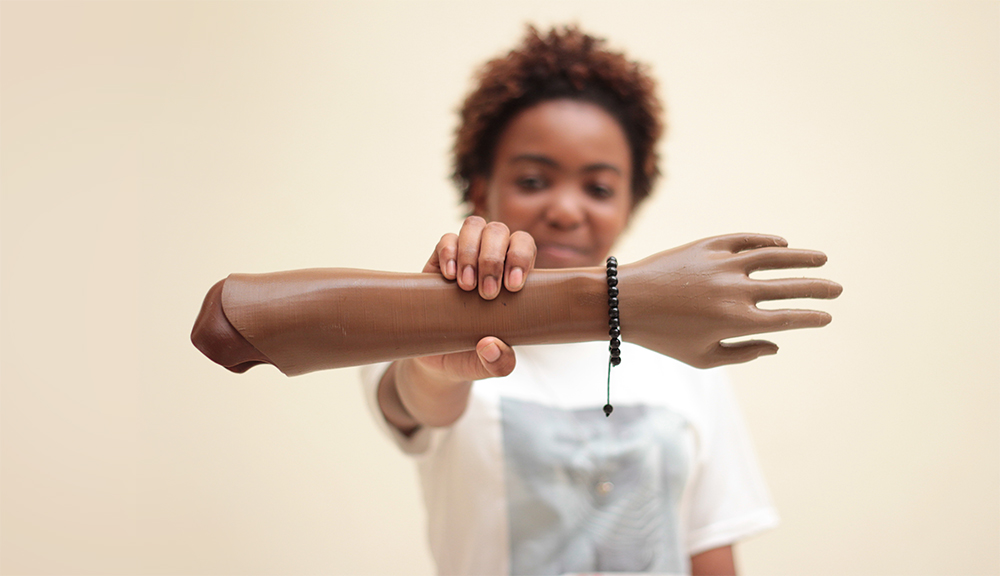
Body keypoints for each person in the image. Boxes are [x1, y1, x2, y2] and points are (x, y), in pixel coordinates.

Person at [190, 25, 841, 576]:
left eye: (598, 187)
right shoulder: (419, 331)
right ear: (481, 190)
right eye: (533, 179)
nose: (564, 208)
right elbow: (411, 398)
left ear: (630, 204)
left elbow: (710, 549)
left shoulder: (687, 362)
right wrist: (440, 329)